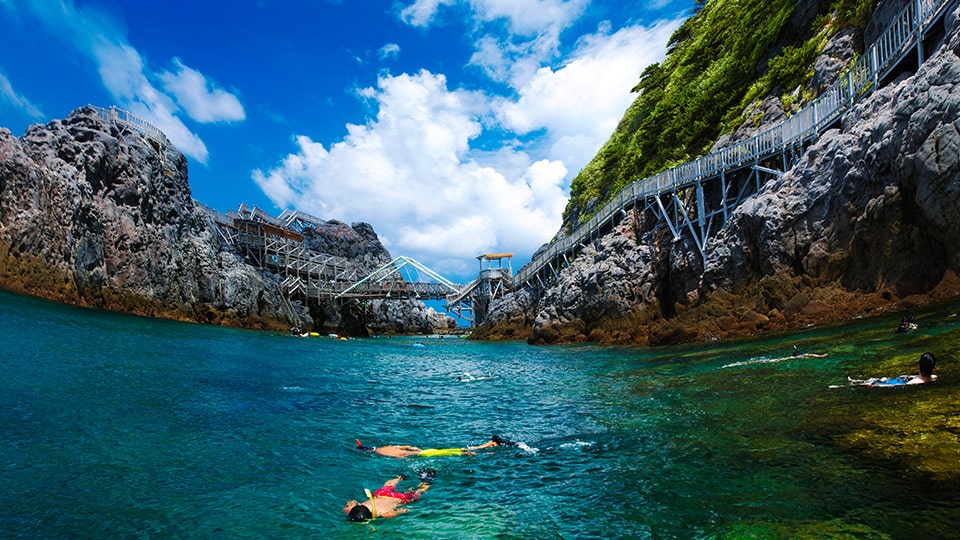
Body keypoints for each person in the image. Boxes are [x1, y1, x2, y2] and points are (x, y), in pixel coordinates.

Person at [343, 469, 435, 522]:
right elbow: (352, 502)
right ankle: (399, 477)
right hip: (381, 494)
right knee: (388, 486)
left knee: (416, 494)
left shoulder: (384, 513)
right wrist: (349, 506)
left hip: (397, 498)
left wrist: (405, 509)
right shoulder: (352, 509)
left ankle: (425, 481)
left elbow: (399, 511)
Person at [355, 435, 516, 458]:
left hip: (425, 455)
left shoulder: (382, 453)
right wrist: (415, 450)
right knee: (459, 450)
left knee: (461, 453)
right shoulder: (388, 446)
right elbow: (406, 447)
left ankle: (487, 450)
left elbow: (403, 456)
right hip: (425, 451)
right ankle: (489, 444)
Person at [848, 352, 937, 386]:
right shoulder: (934, 377)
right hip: (901, 380)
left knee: (875, 381)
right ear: (933, 368)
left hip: (898, 383)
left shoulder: (913, 382)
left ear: (919, 366)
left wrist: (877, 385)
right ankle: (857, 381)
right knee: (882, 379)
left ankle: (856, 382)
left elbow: (894, 386)